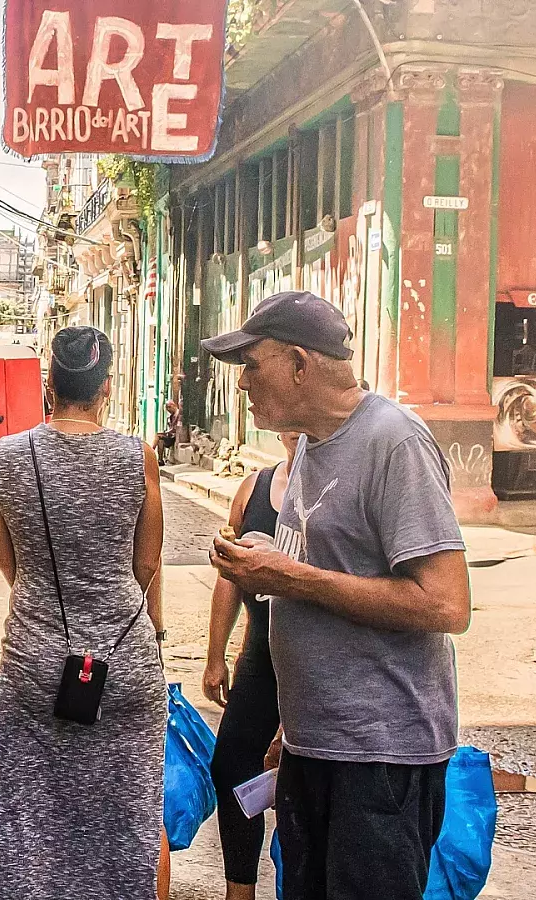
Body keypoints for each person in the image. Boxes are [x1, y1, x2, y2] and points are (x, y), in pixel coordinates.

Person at [204, 291, 472, 900]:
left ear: (300, 364)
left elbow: (446, 605)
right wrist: (292, 726)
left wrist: (288, 578)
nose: (243, 384)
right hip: (313, 749)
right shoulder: (312, 449)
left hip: (379, 762)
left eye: (253, 365)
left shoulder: (393, 442)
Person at [0, 326, 167, 900]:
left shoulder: (5, 458)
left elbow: (8, 562)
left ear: (49, 387)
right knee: (124, 821)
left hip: (35, 664)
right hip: (124, 664)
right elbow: (146, 565)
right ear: (105, 388)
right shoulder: (137, 457)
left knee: (31, 820)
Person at [204, 431, 299, 900]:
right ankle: (238, 890)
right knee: (231, 766)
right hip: (260, 659)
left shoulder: (334, 489)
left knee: (307, 779)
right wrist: (215, 655)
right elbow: (230, 577)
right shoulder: (255, 487)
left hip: (316, 666)